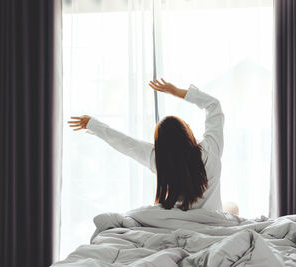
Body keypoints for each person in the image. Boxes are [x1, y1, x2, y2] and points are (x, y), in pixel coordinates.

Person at [69, 79, 238, 214]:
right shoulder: (211, 149)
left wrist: (93, 124)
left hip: (178, 224)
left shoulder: (158, 159)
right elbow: (214, 105)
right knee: (232, 207)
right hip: (211, 222)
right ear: (187, 132)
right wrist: (177, 92)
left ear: (161, 143)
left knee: (230, 207)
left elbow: (124, 143)